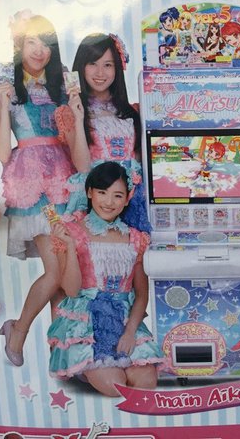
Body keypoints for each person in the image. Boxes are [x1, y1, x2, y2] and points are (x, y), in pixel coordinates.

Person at [0, 12, 75, 366]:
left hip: (65, 183)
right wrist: (4, 105)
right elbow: (2, 152)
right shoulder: (3, 85)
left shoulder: (61, 84)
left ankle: (61, 350)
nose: (39, 50)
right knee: (56, 271)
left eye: (46, 43)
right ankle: (18, 329)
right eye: (31, 42)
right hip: (33, 187)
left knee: (66, 274)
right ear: (19, 44)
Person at [48, 161, 162, 395]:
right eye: (102, 192)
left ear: (127, 199)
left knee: (146, 383)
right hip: (86, 325)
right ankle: (85, 368)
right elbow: (71, 290)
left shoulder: (136, 238)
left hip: (124, 322)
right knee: (116, 387)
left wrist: (130, 332)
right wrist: (70, 246)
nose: (109, 202)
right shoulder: (70, 232)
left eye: (117, 195)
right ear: (90, 192)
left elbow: (141, 294)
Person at [55, 33, 150, 232]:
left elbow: (140, 159)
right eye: (93, 63)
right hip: (97, 196)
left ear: (117, 69)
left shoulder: (133, 111)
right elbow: (82, 167)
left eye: (108, 65)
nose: (100, 72)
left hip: (131, 196)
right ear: (81, 66)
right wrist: (79, 117)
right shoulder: (69, 112)